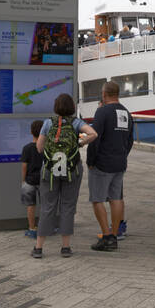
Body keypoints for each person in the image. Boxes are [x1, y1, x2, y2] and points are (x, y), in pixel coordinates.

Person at [34, 93, 97, 258]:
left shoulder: (48, 123)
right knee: (68, 206)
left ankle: (39, 247)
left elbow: (39, 148)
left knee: (48, 207)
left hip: (50, 170)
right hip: (72, 170)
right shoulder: (76, 123)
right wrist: (80, 143)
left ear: (56, 107)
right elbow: (93, 134)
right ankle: (66, 247)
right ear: (72, 107)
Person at [87, 80, 134, 251]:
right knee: (116, 199)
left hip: (102, 164)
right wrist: (122, 156)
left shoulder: (102, 111)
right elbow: (130, 140)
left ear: (104, 94)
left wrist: (90, 161)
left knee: (97, 199)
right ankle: (114, 236)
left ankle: (106, 236)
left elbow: (94, 138)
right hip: (119, 163)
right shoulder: (126, 113)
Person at [19, 120, 43, 238]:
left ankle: (32, 228)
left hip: (30, 180)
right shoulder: (45, 148)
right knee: (45, 205)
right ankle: (45, 227)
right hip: (43, 180)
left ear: (31, 132)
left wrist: (23, 180)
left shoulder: (27, 148)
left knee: (31, 206)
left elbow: (24, 166)